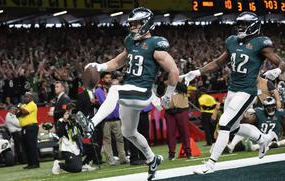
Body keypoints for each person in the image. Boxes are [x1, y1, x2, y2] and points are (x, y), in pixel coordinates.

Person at [180, 12, 285, 174]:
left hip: (247, 91)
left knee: (224, 123)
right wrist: (197, 72)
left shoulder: (261, 43)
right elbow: (218, 62)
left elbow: (280, 61)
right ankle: (264, 138)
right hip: (233, 89)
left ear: (253, 26)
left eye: (244, 24)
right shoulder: (232, 41)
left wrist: (278, 70)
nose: (240, 27)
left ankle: (210, 164)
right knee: (233, 127)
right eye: (239, 24)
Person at [84, 7, 179, 180]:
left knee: (114, 89)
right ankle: (152, 159)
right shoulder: (130, 41)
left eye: (136, 24)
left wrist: (167, 95)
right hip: (131, 90)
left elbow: (174, 71)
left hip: (142, 92)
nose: (133, 28)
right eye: (132, 24)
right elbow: (117, 62)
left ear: (146, 24)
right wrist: (100, 67)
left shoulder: (156, 44)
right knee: (128, 132)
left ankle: (92, 123)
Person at [94, 73, 128, 165]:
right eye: (106, 78)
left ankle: (123, 157)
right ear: (102, 79)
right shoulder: (98, 91)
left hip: (117, 118)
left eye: (110, 78)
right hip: (106, 120)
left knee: (120, 139)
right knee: (107, 141)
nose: (108, 79)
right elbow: (99, 103)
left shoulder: (114, 89)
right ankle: (110, 160)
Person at [52, 103, 95, 174]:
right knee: (77, 169)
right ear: (67, 111)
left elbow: (82, 134)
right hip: (67, 148)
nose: (73, 113)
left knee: (94, 147)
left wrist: (85, 127)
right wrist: (65, 121)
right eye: (72, 111)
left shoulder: (76, 121)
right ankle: (59, 164)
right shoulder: (61, 121)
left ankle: (84, 164)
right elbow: (60, 134)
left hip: (77, 146)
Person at [165, 82, 191, 160]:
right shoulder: (165, 87)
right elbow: (159, 92)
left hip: (181, 111)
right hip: (169, 112)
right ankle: (171, 153)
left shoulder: (181, 84)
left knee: (185, 132)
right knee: (170, 133)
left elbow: (184, 88)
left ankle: (188, 152)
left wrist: (175, 81)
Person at [17, 92, 40, 169]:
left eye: (27, 97)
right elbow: (17, 114)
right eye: (24, 97)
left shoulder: (32, 104)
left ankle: (35, 163)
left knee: (31, 146)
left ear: (31, 98)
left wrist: (20, 108)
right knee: (26, 146)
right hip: (24, 128)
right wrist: (21, 110)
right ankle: (30, 163)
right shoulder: (24, 105)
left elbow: (24, 112)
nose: (25, 98)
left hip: (31, 127)